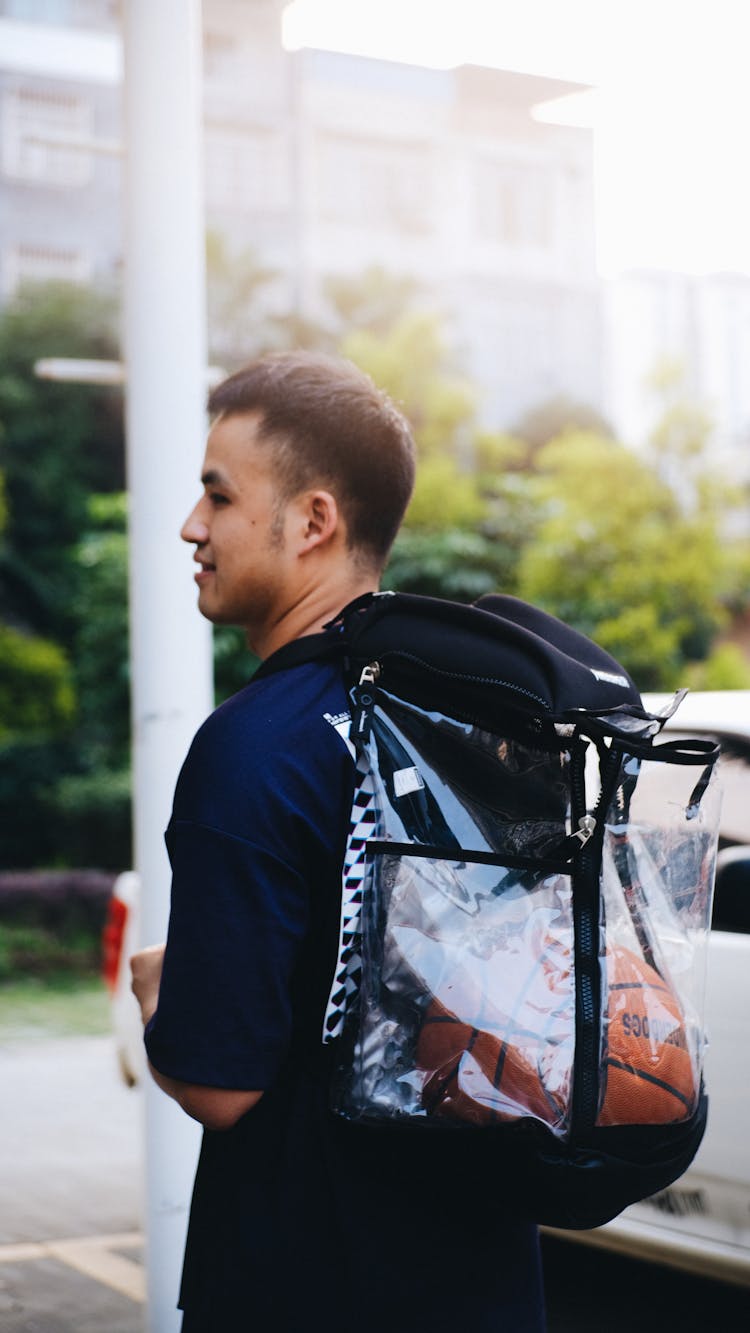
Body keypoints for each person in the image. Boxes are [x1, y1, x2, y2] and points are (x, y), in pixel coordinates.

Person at [130, 350, 546, 1332]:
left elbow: (219, 1083)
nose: (193, 526)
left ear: (314, 520)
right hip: (486, 1278)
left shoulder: (253, 746)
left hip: (310, 1283)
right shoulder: (470, 721)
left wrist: (163, 992)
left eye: (219, 497)